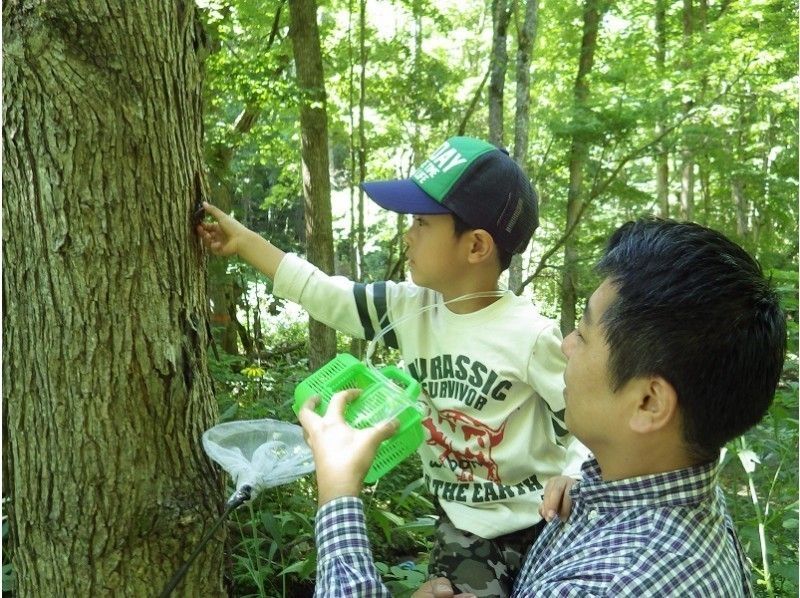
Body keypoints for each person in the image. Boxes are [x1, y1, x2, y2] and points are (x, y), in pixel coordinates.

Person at [297, 218, 787, 597]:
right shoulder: (663, 488)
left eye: (586, 334)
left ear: (648, 402)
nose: (567, 346)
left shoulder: (602, 586)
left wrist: (339, 491)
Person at [197, 136, 587, 597]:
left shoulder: (528, 334)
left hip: (542, 517)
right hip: (463, 528)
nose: (409, 233)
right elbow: (328, 294)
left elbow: (584, 413)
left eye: (422, 222)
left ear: (476, 246)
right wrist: (246, 243)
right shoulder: (409, 306)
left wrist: (577, 471)